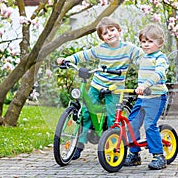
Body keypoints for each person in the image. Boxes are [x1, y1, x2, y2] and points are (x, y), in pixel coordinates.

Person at [57, 16, 142, 160]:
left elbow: (142, 57)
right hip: (98, 84)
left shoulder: (128, 49)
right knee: (85, 112)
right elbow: (84, 55)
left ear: (119, 30)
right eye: (105, 33)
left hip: (115, 88)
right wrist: (68, 59)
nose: (110, 34)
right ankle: (79, 144)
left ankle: (114, 147)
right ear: (102, 38)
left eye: (112, 30)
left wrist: (150, 65)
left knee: (111, 118)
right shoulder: (101, 49)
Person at [123, 24, 169, 170]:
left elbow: (159, 73)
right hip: (143, 98)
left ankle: (159, 156)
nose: (146, 44)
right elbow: (129, 52)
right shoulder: (143, 56)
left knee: (150, 125)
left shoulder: (161, 58)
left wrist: (145, 85)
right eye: (143, 41)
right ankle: (134, 155)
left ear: (160, 43)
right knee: (132, 124)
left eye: (150, 41)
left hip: (156, 97)